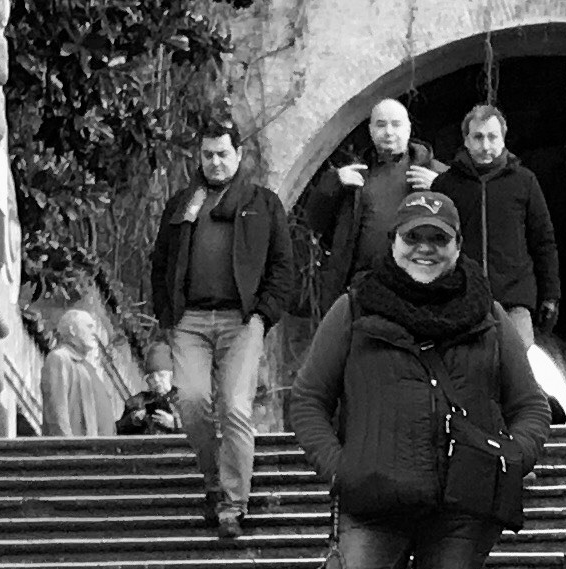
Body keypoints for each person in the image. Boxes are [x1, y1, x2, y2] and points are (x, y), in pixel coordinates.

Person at [280, 189, 552, 569]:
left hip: (461, 504)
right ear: (394, 243)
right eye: (413, 238)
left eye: (438, 239)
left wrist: (512, 457)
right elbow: (308, 399)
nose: (425, 249)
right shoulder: (355, 308)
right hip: (374, 497)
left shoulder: (489, 317)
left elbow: (531, 406)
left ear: (457, 246)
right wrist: (341, 469)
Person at [147, 121, 296, 538]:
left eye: (223, 154)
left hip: (242, 320)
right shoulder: (182, 204)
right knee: (192, 402)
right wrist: (167, 314)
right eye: (208, 155)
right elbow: (161, 263)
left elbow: (283, 266)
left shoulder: (263, 203)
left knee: (234, 406)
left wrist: (263, 314)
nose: (215, 162)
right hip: (190, 320)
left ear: (239, 155)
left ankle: (233, 503)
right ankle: (213, 479)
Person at [435, 102, 563, 360]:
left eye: (492, 137)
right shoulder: (446, 185)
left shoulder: (524, 181)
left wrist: (551, 295)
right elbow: (435, 244)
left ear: (503, 139)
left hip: (514, 300)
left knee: (517, 369)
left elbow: (543, 241)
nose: (485, 146)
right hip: (461, 300)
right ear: (466, 140)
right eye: (478, 137)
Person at [312, 97, 444, 315]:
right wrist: (333, 183)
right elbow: (314, 221)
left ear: (409, 129)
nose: (389, 132)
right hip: (364, 287)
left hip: (419, 287)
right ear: (371, 130)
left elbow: (468, 219)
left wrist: (442, 186)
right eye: (381, 125)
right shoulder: (354, 174)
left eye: (396, 124)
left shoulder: (436, 173)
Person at [36, 298, 115, 438]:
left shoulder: (84, 366)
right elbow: (57, 410)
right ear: (72, 330)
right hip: (73, 447)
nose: (94, 333)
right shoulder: (59, 358)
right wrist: (66, 445)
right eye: (89, 327)